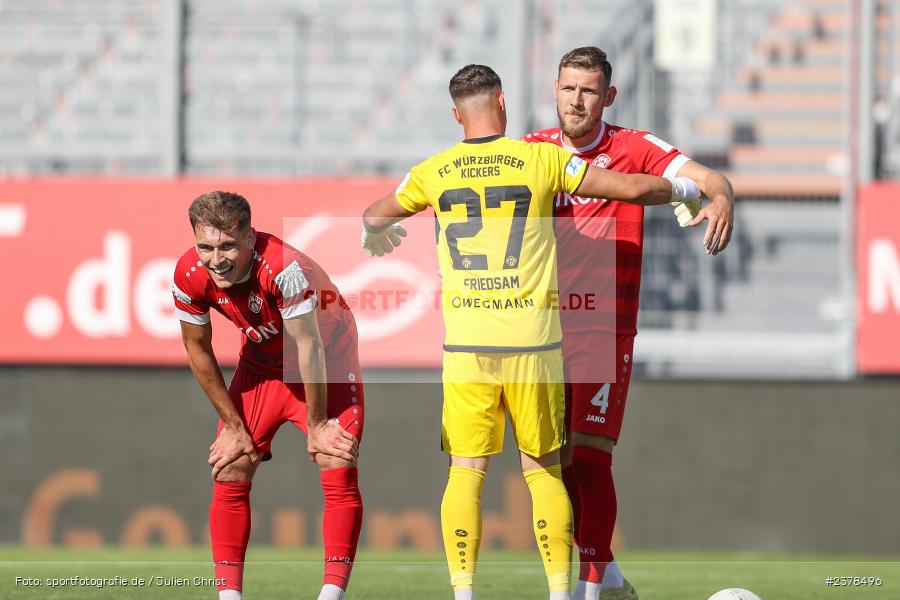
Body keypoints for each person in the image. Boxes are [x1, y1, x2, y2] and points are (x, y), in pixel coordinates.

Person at [360, 64, 702, 600]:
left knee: (465, 472)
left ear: (456, 113)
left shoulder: (433, 170)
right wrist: (686, 191)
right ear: (502, 101)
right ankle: (562, 594)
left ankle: (464, 594)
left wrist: (376, 233)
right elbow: (631, 189)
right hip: (533, 343)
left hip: (467, 346)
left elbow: (376, 214)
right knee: (544, 472)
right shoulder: (539, 158)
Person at [523, 46, 736, 600]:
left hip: (603, 323)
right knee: (554, 460)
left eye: (588, 90)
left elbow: (709, 179)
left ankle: (590, 589)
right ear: (555, 89)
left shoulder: (633, 147)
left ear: (608, 96)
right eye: (568, 88)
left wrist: (722, 200)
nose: (577, 100)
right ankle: (610, 576)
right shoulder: (532, 151)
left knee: (590, 456)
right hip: (540, 327)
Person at [172, 191, 364, 600]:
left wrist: (317, 424)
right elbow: (197, 349)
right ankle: (229, 596)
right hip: (262, 367)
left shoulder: (284, 268)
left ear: (249, 237)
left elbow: (308, 346)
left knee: (335, 455)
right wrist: (234, 426)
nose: (215, 259)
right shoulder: (188, 273)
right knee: (231, 462)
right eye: (205, 246)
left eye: (227, 246)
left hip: (325, 360)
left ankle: (331, 595)